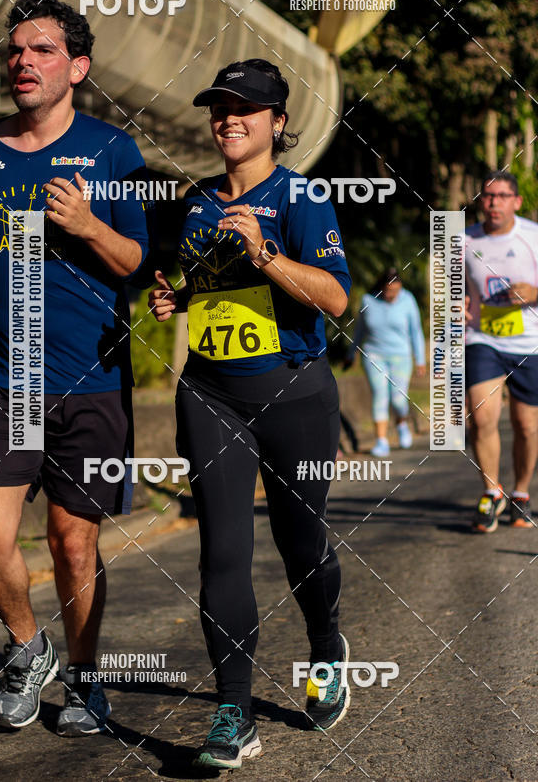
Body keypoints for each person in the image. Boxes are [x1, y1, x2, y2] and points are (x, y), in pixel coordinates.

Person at [0, 0, 149, 734]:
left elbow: (135, 261)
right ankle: (31, 650)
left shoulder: (113, 152)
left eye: (43, 51)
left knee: (72, 541)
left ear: (78, 68)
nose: (23, 62)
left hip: (92, 381)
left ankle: (88, 682)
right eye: (16, 50)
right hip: (5, 376)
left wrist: (89, 222)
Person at [149, 58, 352, 770]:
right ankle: (235, 709)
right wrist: (177, 296)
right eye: (219, 107)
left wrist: (266, 254)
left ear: (277, 122)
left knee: (302, 548)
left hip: (294, 393)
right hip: (210, 392)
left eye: (244, 107)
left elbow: (333, 298)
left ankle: (325, 645)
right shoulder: (196, 198)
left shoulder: (302, 196)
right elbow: (202, 280)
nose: (228, 118)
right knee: (223, 552)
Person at [465, 170, 538, 533]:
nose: (493, 202)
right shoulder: (464, 239)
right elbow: (451, 286)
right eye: (488, 196)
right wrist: (456, 303)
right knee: (481, 417)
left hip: (529, 343)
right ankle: (491, 492)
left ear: (516, 202)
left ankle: (521, 494)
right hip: (483, 339)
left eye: (502, 196)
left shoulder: (533, 238)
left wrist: (535, 293)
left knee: (526, 426)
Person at [344, 268, 425, 456]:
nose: (392, 296)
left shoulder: (408, 300)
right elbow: (359, 331)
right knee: (380, 395)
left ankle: (402, 424)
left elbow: (416, 331)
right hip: (374, 355)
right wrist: (351, 353)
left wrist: (420, 360)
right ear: (381, 288)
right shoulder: (368, 301)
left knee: (398, 398)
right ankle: (381, 440)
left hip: (401, 355)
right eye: (389, 291)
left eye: (396, 291)